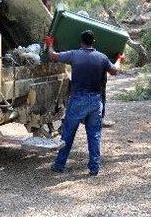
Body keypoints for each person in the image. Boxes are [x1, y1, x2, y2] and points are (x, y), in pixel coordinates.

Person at [44, 30, 123, 176]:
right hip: (95, 101)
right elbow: (115, 71)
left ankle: (59, 165)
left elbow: (52, 56)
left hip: (77, 99)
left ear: (81, 42)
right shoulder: (102, 57)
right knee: (94, 135)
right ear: (93, 43)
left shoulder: (74, 54)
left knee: (68, 134)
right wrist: (119, 58)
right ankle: (94, 168)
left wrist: (50, 44)